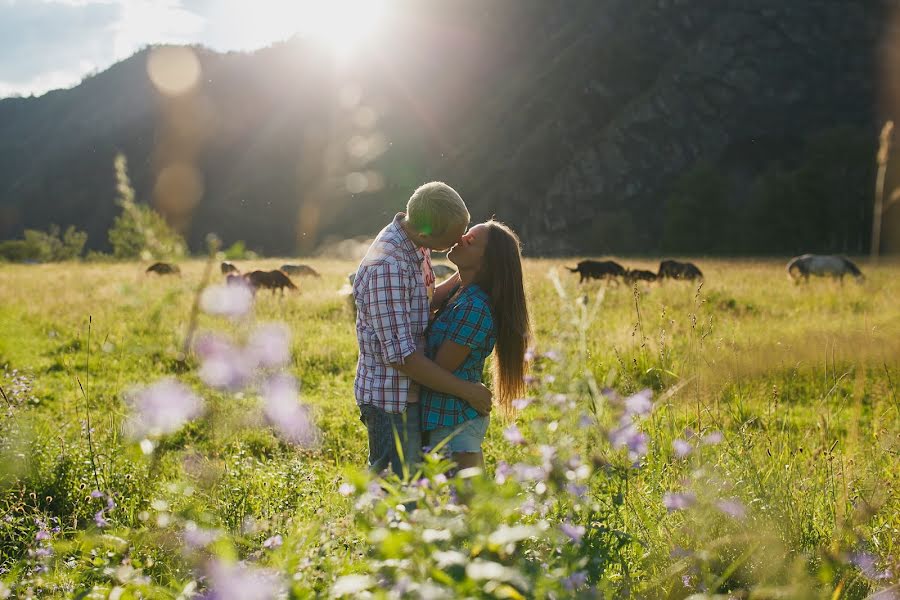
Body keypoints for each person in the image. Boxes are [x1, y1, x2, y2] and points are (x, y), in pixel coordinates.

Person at [353, 182, 493, 478]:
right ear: (427, 234)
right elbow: (401, 357)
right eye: (453, 239)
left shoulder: (416, 240)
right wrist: (469, 391)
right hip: (392, 399)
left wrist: (469, 274)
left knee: (413, 491)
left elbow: (422, 300)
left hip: (411, 393)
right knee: (396, 492)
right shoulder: (387, 267)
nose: (458, 243)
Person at [422, 219, 530, 470]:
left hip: (454, 420)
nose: (460, 238)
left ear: (486, 260)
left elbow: (438, 369)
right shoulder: (461, 288)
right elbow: (425, 300)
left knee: (467, 504)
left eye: (470, 239)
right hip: (443, 416)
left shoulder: (475, 307)